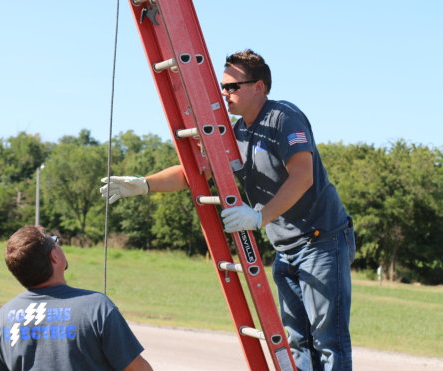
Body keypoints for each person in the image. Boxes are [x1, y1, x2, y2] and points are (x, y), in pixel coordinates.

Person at [100, 49, 355, 371]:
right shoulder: (239, 132)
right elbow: (196, 172)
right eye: (223, 87)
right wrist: (144, 184)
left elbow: (303, 176)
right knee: (297, 341)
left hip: (321, 242)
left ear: (259, 87)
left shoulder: (283, 117)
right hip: (286, 247)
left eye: (232, 87)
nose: (224, 94)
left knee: (327, 339)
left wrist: (260, 216)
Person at [0, 225, 153, 371]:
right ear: (54, 257)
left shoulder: (4, 317)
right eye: (54, 241)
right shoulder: (96, 307)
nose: (58, 244)